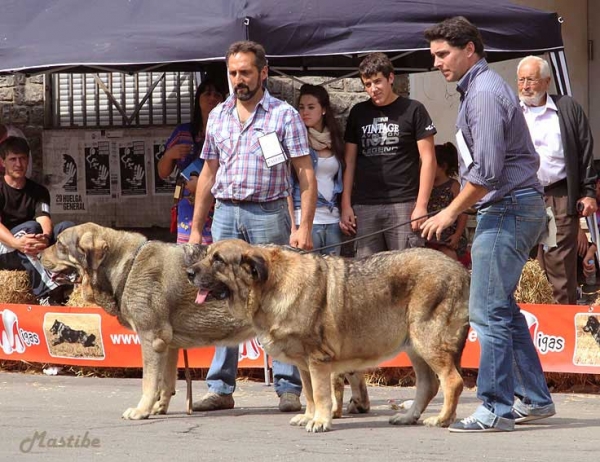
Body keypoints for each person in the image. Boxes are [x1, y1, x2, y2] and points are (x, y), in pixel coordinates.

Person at [422, 16, 555, 432]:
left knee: (486, 312)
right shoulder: (479, 90)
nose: (438, 63)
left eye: (443, 55)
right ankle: (534, 398)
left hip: (508, 208)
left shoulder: (482, 93)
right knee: (503, 309)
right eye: (434, 56)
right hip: (513, 206)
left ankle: (495, 408)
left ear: (470, 50)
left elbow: (488, 172)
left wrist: (448, 211)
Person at [188, 41, 317, 413]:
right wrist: (198, 228)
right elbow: (208, 172)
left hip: (268, 212)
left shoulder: (284, 115)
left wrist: (303, 226)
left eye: (245, 72)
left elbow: (304, 173)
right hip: (227, 212)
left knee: (278, 298)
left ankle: (288, 387)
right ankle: (221, 387)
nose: (238, 80)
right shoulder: (219, 115)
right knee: (223, 296)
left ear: (263, 72)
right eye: (233, 73)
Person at [517, 55, 597, 305]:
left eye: (531, 79)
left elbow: (585, 150)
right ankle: (526, 324)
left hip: (558, 195)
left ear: (547, 81)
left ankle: (561, 328)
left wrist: (588, 192)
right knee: (523, 262)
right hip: (521, 196)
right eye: (521, 80)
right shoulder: (511, 110)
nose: (525, 86)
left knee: (559, 264)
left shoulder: (566, 108)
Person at [340, 52, 437, 256]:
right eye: (367, 84)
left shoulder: (414, 109)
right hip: (365, 205)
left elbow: (428, 159)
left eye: (377, 82)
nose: (373, 89)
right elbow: (349, 161)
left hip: (404, 204)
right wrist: (346, 204)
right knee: (367, 275)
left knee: (408, 273)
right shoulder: (358, 112)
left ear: (390, 78)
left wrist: (421, 205)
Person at [0, 137, 74, 305]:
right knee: (31, 227)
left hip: (30, 244)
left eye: (23, 158)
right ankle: (45, 293)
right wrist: (16, 243)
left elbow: (44, 219)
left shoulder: (39, 191)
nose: (18, 164)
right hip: (6, 247)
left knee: (67, 228)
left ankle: (71, 277)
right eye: (13, 159)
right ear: (3, 162)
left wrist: (46, 238)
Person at [157, 79, 225, 244]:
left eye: (217, 94)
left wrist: (204, 185)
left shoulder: (227, 131)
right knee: (188, 255)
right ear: (198, 99)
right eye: (207, 93)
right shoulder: (182, 132)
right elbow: (162, 173)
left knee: (215, 256)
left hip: (218, 201)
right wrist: (169, 155)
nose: (212, 98)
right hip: (187, 201)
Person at [289, 84, 344, 255]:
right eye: (301, 107)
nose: (305, 112)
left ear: (324, 110)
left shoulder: (334, 140)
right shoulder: (296, 141)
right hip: (304, 220)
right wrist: (292, 227)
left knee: (335, 277)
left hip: (332, 219)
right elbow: (286, 188)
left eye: (311, 107)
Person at [426, 142, 468, 262]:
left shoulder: (453, 186)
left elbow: (463, 213)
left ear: (443, 166)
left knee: (449, 260)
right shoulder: (426, 186)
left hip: (448, 238)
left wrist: (457, 235)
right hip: (428, 238)